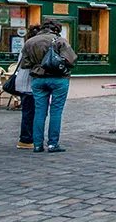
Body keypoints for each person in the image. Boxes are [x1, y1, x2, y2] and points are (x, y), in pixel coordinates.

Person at [21, 20, 77, 153]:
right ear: (56, 29)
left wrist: (38, 64)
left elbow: (25, 64)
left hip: (38, 79)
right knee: (56, 111)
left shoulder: (30, 42)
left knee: (39, 112)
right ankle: (53, 143)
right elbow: (72, 60)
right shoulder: (60, 41)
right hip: (59, 79)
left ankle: (37, 144)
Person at [13, 24, 41, 150]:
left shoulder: (26, 45)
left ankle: (29, 137)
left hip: (23, 82)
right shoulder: (32, 47)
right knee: (29, 112)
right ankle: (25, 139)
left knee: (29, 111)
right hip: (28, 83)